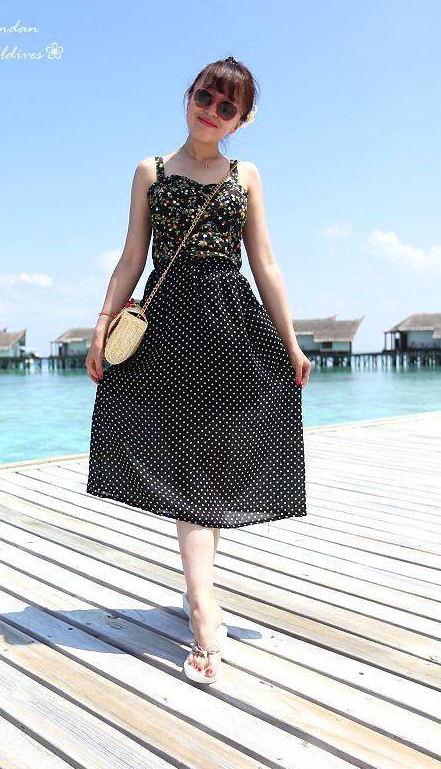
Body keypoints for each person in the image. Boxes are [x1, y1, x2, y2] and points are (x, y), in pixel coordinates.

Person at [85, 55, 310, 685]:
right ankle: (204, 609)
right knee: (187, 465)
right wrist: (102, 324)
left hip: (233, 327)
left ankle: (199, 592)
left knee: (215, 465)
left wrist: (291, 344)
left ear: (243, 119)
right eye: (204, 97)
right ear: (189, 96)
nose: (210, 112)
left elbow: (264, 264)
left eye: (226, 107)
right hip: (167, 331)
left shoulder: (246, 176)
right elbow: (133, 256)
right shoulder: (150, 171)